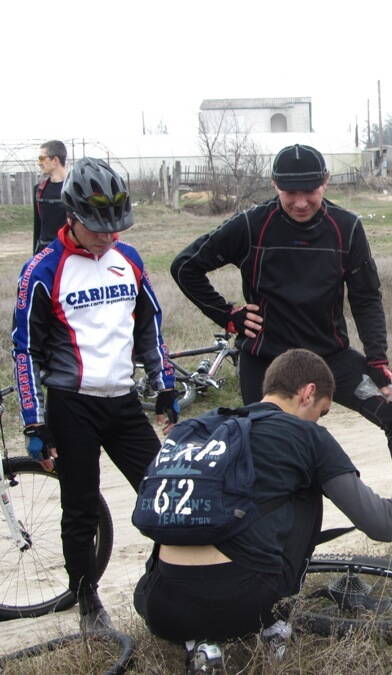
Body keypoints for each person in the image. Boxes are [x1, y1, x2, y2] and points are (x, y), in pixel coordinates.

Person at [170, 144, 392, 548]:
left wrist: (377, 358)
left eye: (310, 192)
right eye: (290, 193)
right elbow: (185, 266)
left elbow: (366, 298)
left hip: (330, 361)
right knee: (266, 452)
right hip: (269, 365)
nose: (301, 202)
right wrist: (228, 316)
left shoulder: (346, 227)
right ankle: (265, 546)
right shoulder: (252, 225)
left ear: (325, 183)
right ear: (275, 185)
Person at [133, 348, 392, 673]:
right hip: (245, 603)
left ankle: (200, 643)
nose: (318, 420)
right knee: (310, 484)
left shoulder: (198, 427)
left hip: (160, 606)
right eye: (322, 412)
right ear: (308, 393)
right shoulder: (307, 435)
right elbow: (382, 524)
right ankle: (275, 626)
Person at [11, 157, 179, 632]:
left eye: (115, 227)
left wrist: (165, 385)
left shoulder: (130, 260)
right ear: (71, 216)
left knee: (166, 495)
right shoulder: (42, 269)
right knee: (81, 509)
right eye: (97, 228)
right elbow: (24, 349)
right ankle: (88, 604)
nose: (108, 236)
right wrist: (34, 421)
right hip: (72, 405)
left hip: (123, 403)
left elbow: (149, 327)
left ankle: (166, 582)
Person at [32, 140, 69, 253]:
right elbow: (38, 228)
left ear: (55, 160)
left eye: (41, 158)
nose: (39, 163)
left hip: (69, 254)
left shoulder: (75, 189)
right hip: (45, 253)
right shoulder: (39, 190)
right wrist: (36, 256)